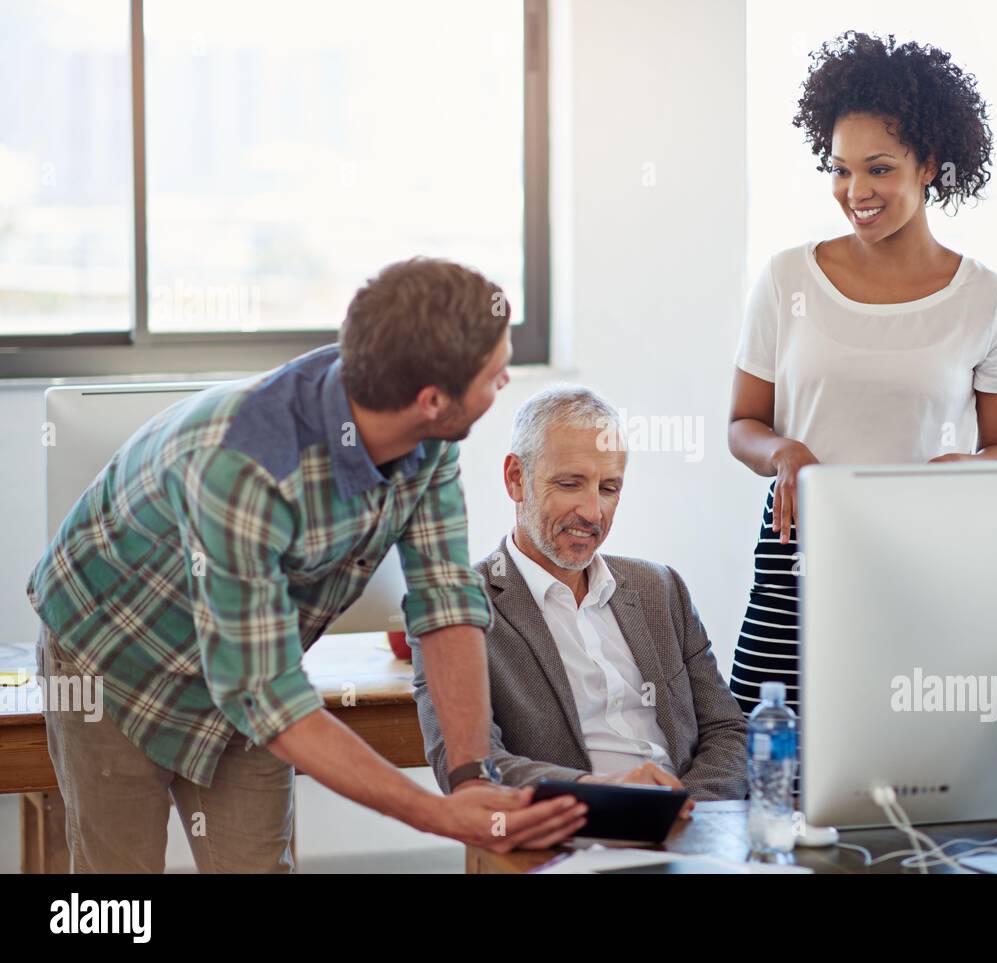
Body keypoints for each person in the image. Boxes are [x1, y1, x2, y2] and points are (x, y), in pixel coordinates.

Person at [27, 257, 586, 872]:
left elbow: (445, 605)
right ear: (431, 399)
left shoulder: (428, 440)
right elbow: (265, 693)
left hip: (251, 666)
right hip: (115, 655)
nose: (505, 381)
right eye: (496, 373)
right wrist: (436, 813)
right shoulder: (243, 467)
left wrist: (470, 778)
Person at [728, 32, 997, 717]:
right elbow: (741, 425)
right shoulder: (786, 279)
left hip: (923, 561)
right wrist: (785, 451)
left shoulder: (987, 298)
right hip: (794, 558)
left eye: (879, 169)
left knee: (913, 760)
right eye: (839, 170)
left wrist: (968, 470)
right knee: (765, 758)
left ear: (928, 164)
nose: (855, 192)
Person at [414, 386, 748, 806]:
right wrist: (610, 800)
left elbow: (725, 729)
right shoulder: (455, 608)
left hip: (694, 830)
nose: (593, 513)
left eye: (609, 488)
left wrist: (687, 812)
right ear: (516, 478)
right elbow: (468, 767)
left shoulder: (661, 589)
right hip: (565, 838)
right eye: (571, 484)